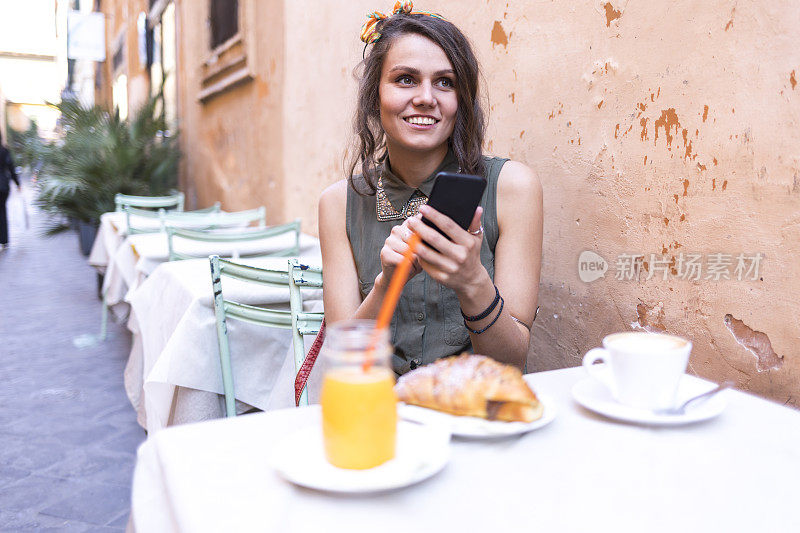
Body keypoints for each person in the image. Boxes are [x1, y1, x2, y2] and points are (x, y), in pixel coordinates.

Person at [318, 1, 542, 374]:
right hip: (382, 414)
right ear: (375, 95)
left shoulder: (513, 189)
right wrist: (387, 283)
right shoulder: (337, 204)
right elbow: (343, 366)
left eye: (445, 82)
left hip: (473, 411)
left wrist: (472, 280)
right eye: (405, 79)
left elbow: (512, 361)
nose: (426, 97)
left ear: (462, 101)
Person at [0, 130, 22, 250]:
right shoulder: (5, 150)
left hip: (3, 185)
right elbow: (11, 167)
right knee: (2, 211)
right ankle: (4, 240)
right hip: (3, 186)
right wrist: (17, 183)